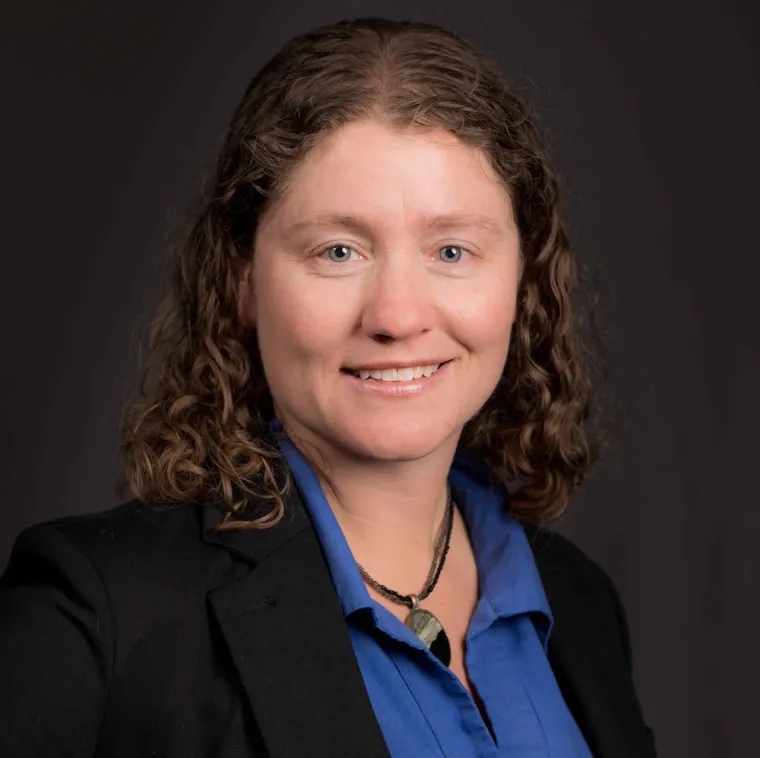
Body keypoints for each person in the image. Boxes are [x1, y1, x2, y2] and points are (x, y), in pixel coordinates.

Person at [0, 17, 657, 758]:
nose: (398, 316)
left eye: (452, 249)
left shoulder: (578, 603)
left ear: (522, 277)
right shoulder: (95, 615)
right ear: (241, 280)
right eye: (338, 250)